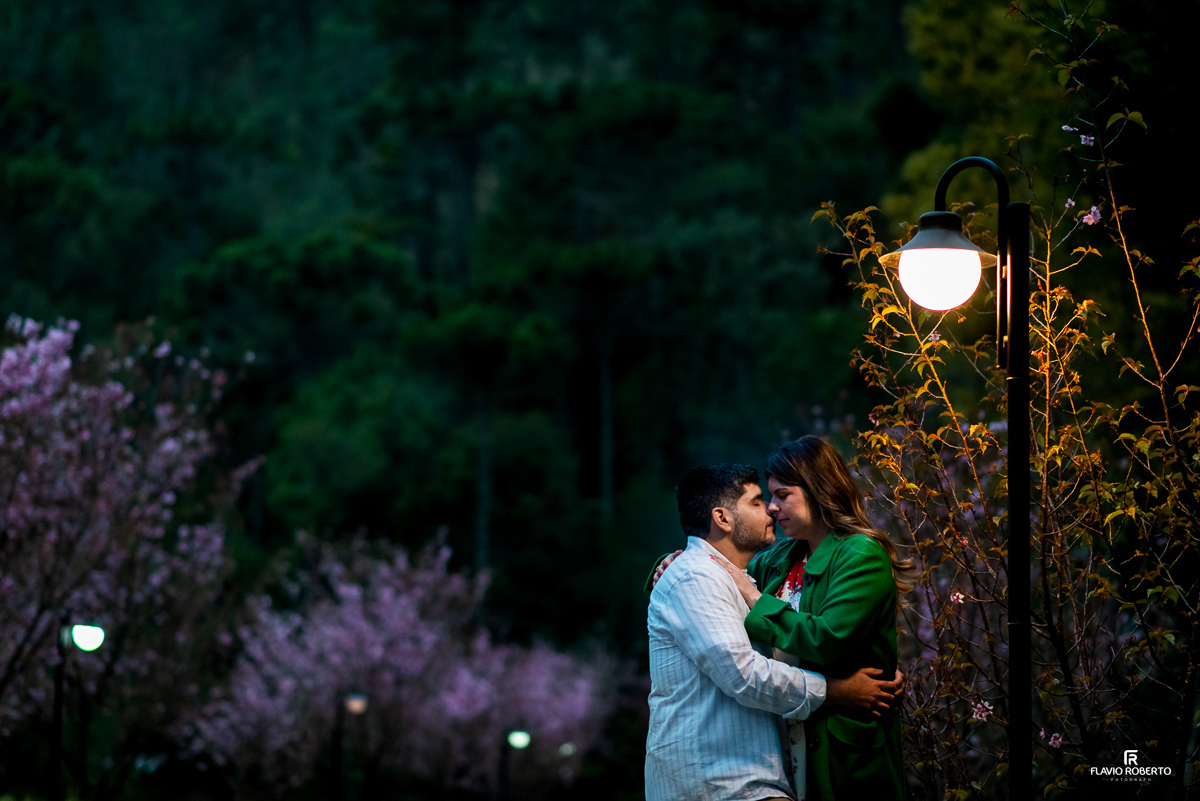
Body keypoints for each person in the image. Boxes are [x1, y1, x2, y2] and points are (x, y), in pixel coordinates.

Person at [647, 463, 902, 801]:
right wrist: (837, 690)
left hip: (763, 767)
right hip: (718, 776)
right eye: (758, 500)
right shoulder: (716, 573)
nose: (770, 507)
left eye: (782, 495)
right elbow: (743, 672)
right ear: (722, 518)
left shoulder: (846, 555)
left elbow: (833, 633)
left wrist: (875, 658)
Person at [708, 437, 914, 801]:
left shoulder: (861, 555)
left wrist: (756, 599)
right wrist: (674, 563)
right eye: (770, 497)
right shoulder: (782, 555)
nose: (772, 508)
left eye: (782, 495)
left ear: (819, 489)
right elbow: (721, 581)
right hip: (788, 733)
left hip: (841, 750)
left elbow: (828, 639)